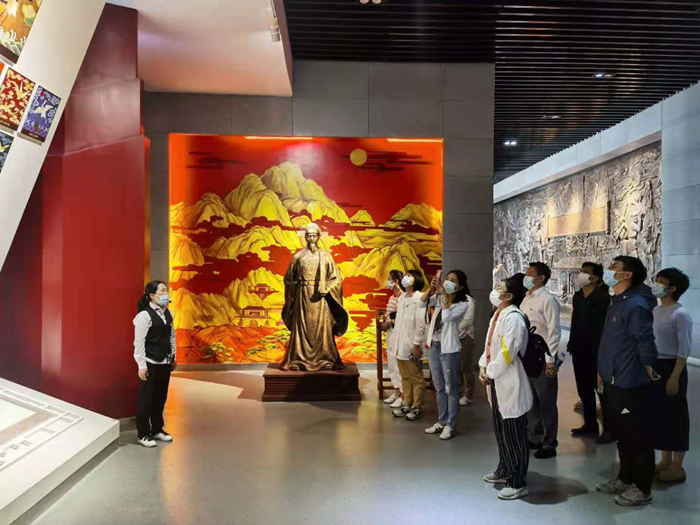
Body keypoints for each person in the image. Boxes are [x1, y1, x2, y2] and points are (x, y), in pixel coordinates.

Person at [596, 256, 659, 507]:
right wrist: (602, 370)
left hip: (629, 383)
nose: (609, 270)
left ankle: (642, 487)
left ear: (628, 274)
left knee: (636, 433)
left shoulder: (636, 305)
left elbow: (645, 340)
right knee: (622, 432)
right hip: (613, 379)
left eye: (614, 268)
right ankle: (625, 478)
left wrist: (649, 367)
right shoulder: (618, 301)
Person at [479, 273, 533, 501]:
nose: (495, 290)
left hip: (508, 380)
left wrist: (490, 371)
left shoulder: (514, 318)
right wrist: (483, 365)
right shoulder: (498, 315)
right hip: (496, 380)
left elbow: (507, 353)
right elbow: (489, 346)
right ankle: (504, 469)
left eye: (499, 287)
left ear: (509, 296)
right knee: (501, 429)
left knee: (514, 433)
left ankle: (518, 481)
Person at [281, 223, 348, 371]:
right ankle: (298, 359)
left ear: (318, 237)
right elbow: (289, 278)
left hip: (321, 299)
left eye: (314, 236)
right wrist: (296, 287)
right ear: (305, 237)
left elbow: (336, 278)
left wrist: (327, 288)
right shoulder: (298, 257)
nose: (311, 238)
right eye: (309, 236)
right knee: (302, 328)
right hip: (303, 297)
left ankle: (325, 359)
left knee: (322, 329)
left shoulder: (325, 256)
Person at [652, 268, 692, 483]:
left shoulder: (680, 314)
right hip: (657, 365)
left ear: (673, 288)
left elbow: (684, 349)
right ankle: (665, 460)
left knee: (676, 416)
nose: (656, 284)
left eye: (661, 281)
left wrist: (675, 376)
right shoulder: (656, 310)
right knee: (661, 414)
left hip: (673, 367)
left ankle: (678, 465)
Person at [421, 270, 470, 440]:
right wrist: (431, 289)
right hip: (434, 346)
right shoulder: (440, 297)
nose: (448, 282)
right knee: (439, 387)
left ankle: (451, 424)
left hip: (448, 349)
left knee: (451, 388)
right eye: (447, 279)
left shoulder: (463, 303)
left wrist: (446, 298)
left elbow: (448, 317)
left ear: (460, 286)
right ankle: (441, 421)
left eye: (452, 280)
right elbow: (421, 303)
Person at [568, 262, 614, 443]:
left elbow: (604, 326)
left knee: (601, 390)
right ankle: (590, 424)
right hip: (579, 348)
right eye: (581, 271)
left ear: (595, 277)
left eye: (586, 272)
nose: (582, 274)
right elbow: (575, 320)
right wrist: (572, 343)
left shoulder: (603, 298)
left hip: (597, 349)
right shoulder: (578, 296)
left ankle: (609, 429)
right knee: (584, 388)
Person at [521, 262, 562, 459]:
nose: (526, 276)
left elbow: (554, 332)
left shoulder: (548, 300)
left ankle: (549, 442)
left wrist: (550, 360)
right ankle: (535, 436)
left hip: (544, 358)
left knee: (547, 401)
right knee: (532, 400)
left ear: (541, 278)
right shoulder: (526, 298)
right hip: (528, 356)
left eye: (530, 274)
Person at [133, 280, 177, 448]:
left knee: (160, 397)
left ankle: (157, 429)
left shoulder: (169, 313)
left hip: (165, 361)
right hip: (150, 362)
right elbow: (139, 343)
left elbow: (171, 336)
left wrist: (173, 356)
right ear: (152, 295)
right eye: (162, 291)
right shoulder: (144, 316)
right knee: (146, 399)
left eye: (166, 290)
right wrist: (141, 366)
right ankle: (143, 434)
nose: (166, 294)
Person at [392, 270, 428, 421]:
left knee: (416, 376)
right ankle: (407, 403)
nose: (405, 278)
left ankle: (417, 406)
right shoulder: (401, 298)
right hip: (400, 343)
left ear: (416, 279)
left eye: (409, 275)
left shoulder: (419, 297)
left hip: (412, 344)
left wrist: (416, 344)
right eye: (405, 275)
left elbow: (420, 323)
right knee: (405, 376)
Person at [381, 270, 405, 408]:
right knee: (392, 363)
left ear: (396, 281)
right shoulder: (392, 298)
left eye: (390, 279)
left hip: (398, 333)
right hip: (391, 333)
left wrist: (390, 322)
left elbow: (402, 318)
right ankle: (396, 391)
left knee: (398, 363)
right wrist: (386, 321)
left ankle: (403, 395)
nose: (388, 281)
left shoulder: (402, 297)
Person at [458, 277, 477, 407]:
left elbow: (467, 321)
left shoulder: (469, 300)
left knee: (466, 367)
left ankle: (468, 395)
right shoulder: (451, 300)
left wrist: (453, 329)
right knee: (456, 368)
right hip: (452, 338)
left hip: (465, 337)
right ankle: (458, 393)